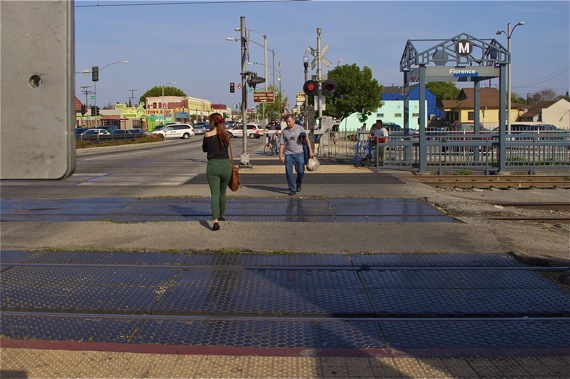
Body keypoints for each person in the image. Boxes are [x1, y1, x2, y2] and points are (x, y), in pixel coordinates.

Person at [202, 112, 232, 231]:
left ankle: (215, 221)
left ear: (212, 122)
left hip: (213, 165)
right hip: (226, 165)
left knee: (215, 194)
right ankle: (222, 215)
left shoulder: (208, 134)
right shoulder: (226, 135)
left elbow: (205, 149)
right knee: (223, 192)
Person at [279, 114, 313, 196]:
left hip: (299, 153)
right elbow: (282, 144)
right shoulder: (284, 131)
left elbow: (307, 140)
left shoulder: (300, 128)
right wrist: (280, 155)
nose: (288, 123)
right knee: (288, 172)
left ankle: (299, 182)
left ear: (293, 121)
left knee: (301, 171)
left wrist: (310, 151)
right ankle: (292, 189)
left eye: (289, 121)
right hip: (288, 154)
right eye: (286, 122)